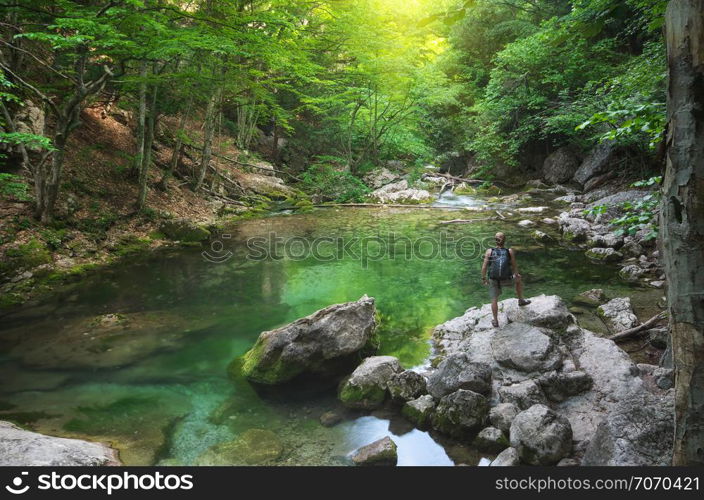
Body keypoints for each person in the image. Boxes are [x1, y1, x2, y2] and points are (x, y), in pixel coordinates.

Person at [481, 232, 531, 327]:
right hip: (507, 279)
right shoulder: (509, 251)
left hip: (494, 280)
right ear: (504, 240)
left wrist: (483, 278)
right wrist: (516, 275)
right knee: (519, 280)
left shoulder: (489, 251)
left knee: (494, 299)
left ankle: (495, 321)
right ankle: (521, 300)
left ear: (495, 240)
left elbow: (484, 267)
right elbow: (514, 266)